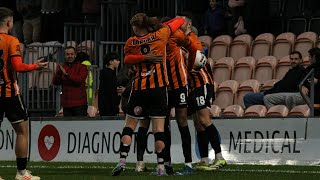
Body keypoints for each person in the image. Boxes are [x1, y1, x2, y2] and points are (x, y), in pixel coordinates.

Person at [111, 13, 185, 176]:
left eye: (133, 27)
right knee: (159, 129)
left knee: (129, 126)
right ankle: (160, 167)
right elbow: (180, 20)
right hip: (158, 89)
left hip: (139, 89)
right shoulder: (161, 34)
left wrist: (143, 57)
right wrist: (161, 25)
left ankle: (122, 162)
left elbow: (128, 59)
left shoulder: (131, 42)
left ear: (136, 27)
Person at [0, 7, 48, 180]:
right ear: (8, 22)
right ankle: (21, 173)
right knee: (22, 129)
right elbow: (19, 67)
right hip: (8, 92)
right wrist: (35, 66)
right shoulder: (11, 40)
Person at [178, 12, 227, 171]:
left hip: (202, 84)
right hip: (192, 87)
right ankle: (204, 159)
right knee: (198, 125)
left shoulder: (192, 40)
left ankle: (220, 157)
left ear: (189, 25)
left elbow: (198, 61)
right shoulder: (181, 43)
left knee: (205, 120)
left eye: (181, 22)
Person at [52, 46, 88, 116]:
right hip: (66, 105)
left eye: (72, 54)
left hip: (79, 105)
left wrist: (66, 74)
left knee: (80, 126)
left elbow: (79, 81)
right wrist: (59, 73)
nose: (70, 56)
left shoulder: (82, 67)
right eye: (67, 54)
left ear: (75, 55)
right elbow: (55, 82)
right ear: (64, 56)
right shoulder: (63, 67)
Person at [98, 52, 121, 116]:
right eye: (117, 60)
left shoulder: (105, 73)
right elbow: (110, 92)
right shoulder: (110, 74)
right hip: (109, 107)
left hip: (104, 106)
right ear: (110, 62)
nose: (119, 62)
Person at [304, 48, 320, 116]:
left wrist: (318, 81)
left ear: (314, 57)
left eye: (309, 56)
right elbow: (302, 80)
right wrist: (303, 86)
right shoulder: (309, 68)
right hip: (306, 94)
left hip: (315, 96)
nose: (308, 59)